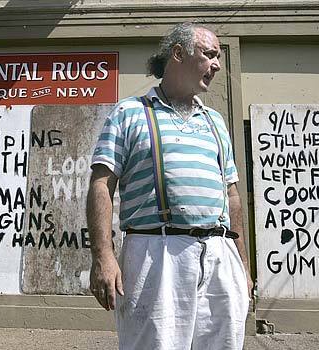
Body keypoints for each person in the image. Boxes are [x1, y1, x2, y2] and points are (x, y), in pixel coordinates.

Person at [86, 22, 253, 350]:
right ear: (178, 53)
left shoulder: (215, 121)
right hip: (156, 253)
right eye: (209, 55)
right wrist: (103, 256)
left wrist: (243, 267)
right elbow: (101, 184)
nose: (217, 64)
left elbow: (231, 196)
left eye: (218, 57)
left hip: (220, 255)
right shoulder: (129, 113)